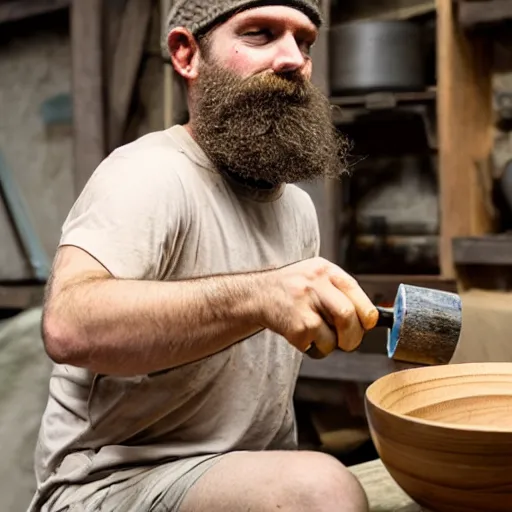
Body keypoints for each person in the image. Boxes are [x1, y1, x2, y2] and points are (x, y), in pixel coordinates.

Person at [28, 1, 380, 511]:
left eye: (304, 42)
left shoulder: (297, 210)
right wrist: (261, 295)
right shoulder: (149, 175)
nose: (292, 60)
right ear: (187, 54)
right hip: (108, 487)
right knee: (321, 490)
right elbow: (68, 325)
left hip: (230, 473)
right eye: (260, 34)